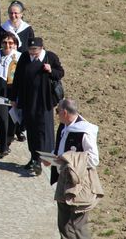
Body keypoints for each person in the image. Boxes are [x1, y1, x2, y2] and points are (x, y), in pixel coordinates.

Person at [50, 98, 103, 239]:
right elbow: (61, 149)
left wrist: (68, 159)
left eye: (58, 111)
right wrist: (52, 157)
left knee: (78, 226)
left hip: (79, 185)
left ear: (65, 112)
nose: (57, 114)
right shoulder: (64, 126)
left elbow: (93, 159)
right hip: (64, 181)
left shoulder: (84, 131)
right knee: (63, 225)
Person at [11, 37, 64, 175]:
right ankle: (33, 157)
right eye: (30, 49)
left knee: (43, 131)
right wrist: (13, 98)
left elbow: (60, 73)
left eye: (35, 50)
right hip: (28, 100)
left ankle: (41, 160)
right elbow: (17, 77)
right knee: (32, 130)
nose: (32, 52)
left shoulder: (50, 57)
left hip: (44, 101)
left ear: (41, 48)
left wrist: (50, 70)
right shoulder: (24, 57)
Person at [0, 31, 21, 157]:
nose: (7, 45)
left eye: (10, 43)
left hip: (13, 93)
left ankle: (8, 141)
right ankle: (2, 147)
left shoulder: (19, 57)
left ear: (15, 44)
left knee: (12, 119)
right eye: (4, 42)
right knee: (2, 119)